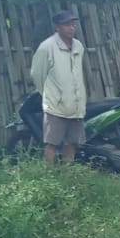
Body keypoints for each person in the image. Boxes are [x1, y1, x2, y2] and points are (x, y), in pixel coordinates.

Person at [29, 9, 86, 165]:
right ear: (57, 27)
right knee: (51, 144)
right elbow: (37, 74)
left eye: (72, 24)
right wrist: (49, 94)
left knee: (71, 143)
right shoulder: (46, 47)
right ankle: (50, 177)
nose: (71, 28)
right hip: (55, 105)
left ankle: (68, 175)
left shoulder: (78, 46)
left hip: (75, 104)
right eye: (66, 25)